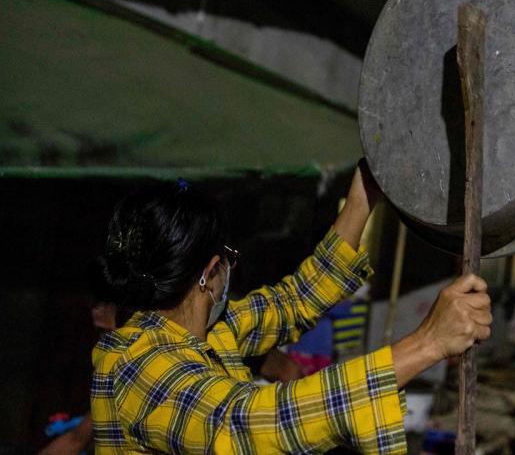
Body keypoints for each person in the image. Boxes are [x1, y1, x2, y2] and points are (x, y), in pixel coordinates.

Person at [90, 163, 492, 453]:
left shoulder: (209, 332)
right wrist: (425, 344)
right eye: (228, 258)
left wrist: (362, 196)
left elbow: (296, 300)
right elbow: (249, 423)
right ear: (210, 272)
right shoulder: (134, 365)